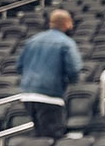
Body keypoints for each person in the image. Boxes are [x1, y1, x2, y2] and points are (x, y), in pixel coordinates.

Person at [16, 9, 82, 139]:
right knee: (52, 138)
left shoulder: (32, 40)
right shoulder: (66, 42)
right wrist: (70, 81)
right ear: (67, 23)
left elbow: (19, 66)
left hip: (28, 96)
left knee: (39, 136)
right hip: (50, 96)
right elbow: (74, 69)